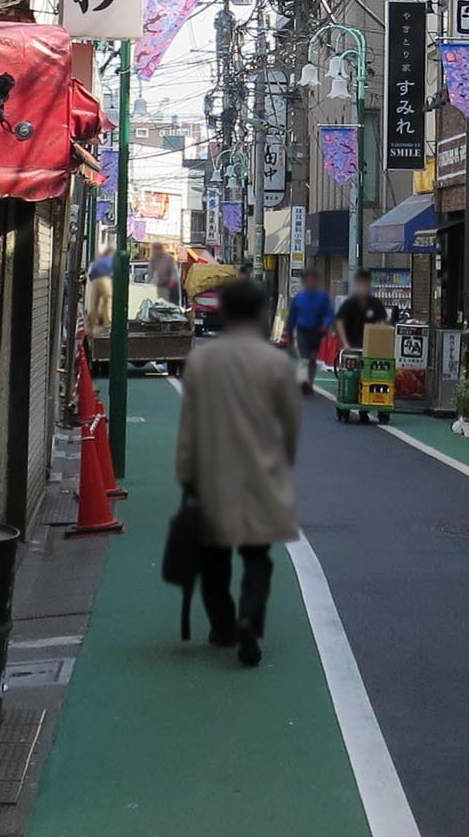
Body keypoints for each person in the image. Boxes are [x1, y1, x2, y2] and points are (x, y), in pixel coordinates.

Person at [176, 279, 302, 667]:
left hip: (213, 474)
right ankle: (250, 618)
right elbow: (290, 423)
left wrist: (187, 473)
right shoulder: (276, 364)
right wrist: (283, 460)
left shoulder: (202, 361)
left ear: (225, 312)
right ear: (261, 313)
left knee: (214, 558)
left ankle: (224, 626)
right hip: (261, 473)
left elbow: (190, 426)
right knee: (257, 556)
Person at [281, 270, 335, 394]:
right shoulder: (299, 298)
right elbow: (292, 317)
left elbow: (329, 314)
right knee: (304, 357)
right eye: (308, 280)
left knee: (312, 359)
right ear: (304, 282)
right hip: (302, 331)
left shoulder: (322, 298)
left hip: (317, 331)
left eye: (313, 280)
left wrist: (326, 325)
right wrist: (288, 332)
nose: (310, 282)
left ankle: (309, 382)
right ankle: (303, 381)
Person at [333, 271, 390, 356]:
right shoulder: (349, 303)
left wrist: (380, 338)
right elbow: (339, 322)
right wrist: (345, 343)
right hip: (351, 346)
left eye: (365, 283)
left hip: (371, 346)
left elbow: (382, 322)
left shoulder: (376, 303)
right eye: (360, 283)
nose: (363, 286)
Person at [85, 251, 114, 333]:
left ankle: (90, 326)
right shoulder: (112, 261)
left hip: (96, 281)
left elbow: (91, 275)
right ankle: (106, 322)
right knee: (105, 302)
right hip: (106, 281)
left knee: (94, 304)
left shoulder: (97, 262)